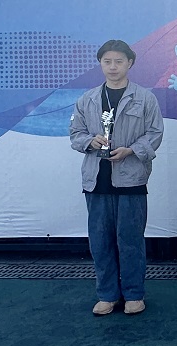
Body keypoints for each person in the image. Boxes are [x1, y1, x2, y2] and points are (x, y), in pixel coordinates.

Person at [69, 40, 164, 316]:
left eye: (119, 61)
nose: (113, 67)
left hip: (131, 179)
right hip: (96, 180)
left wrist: (131, 150)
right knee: (100, 241)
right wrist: (91, 141)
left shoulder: (144, 98)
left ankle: (134, 294)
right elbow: (75, 134)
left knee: (130, 239)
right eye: (107, 61)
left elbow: (155, 133)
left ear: (130, 63)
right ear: (100, 63)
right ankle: (107, 294)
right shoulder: (87, 99)